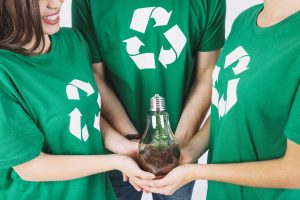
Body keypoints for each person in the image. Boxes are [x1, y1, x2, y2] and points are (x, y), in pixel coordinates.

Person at [141, 0, 300, 199]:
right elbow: (226, 108)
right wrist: (186, 154)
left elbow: (295, 171)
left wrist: (194, 172)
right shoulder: (244, 20)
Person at [0, 0, 154, 199]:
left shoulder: (74, 41)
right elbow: (31, 166)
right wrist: (116, 162)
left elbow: (85, 114)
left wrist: (124, 147)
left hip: (95, 192)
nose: (56, 4)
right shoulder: (5, 72)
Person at [72, 0, 226, 199]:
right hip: (115, 149)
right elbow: (94, 77)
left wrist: (177, 147)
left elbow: (207, 74)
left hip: (180, 148)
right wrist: (134, 145)